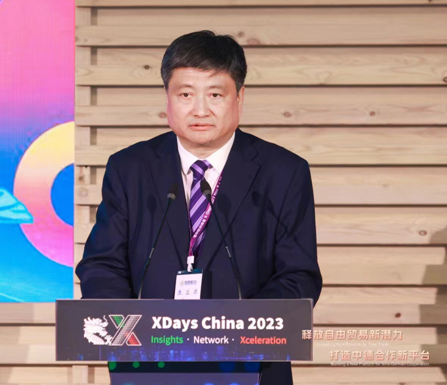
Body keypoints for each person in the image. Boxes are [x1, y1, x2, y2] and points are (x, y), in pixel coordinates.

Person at [76, 30, 323, 385]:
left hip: (250, 367)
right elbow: (102, 265)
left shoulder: (283, 172)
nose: (200, 110)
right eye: (186, 94)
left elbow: (299, 276)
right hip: (149, 368)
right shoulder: (130, 168)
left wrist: (233, 331)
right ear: (167, 98)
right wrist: (128, 334)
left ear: (239, 97)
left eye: (216, 95)